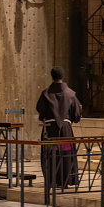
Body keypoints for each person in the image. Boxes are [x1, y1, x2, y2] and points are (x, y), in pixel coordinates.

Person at [36, 66, 82, 196]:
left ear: (52, 76)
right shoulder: (71, 94)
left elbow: (40, 110)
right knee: (66, 154)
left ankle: (52, 180)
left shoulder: (46, 93)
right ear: (62, 76)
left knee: (51, 154)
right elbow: (77, 114)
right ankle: (65, 180)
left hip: (50, 129)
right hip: (66, 130)